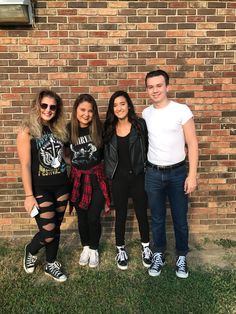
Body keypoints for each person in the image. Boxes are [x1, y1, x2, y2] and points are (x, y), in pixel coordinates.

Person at [142, 69, 198, 278]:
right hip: (153, 173)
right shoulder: (146, 114)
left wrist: (192, 175)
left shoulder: (181, 110)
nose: (155, 90)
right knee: (156, 218)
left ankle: (182, 256)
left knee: (179, 218)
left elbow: (192, 143)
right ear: (147, 89)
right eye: (150, 87)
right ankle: (159, 254)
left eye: (159, 85)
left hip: (177, 174)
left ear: (167, 86)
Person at [17, 89, 70, 282]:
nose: (48, 110)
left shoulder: (59, 130)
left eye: (53, 107)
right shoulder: (27, 131)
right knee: (47, 231)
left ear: (57, 110)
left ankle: (51, 264)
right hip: (40, 188)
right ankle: (31, 250)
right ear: (37, 106)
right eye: (44, 105)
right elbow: (25, 165)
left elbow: (63, 157)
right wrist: (28, 195)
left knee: (55, 228)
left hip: (62, 185)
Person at [103, 90, 152, 270]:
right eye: (115, 105)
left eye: (122, 104)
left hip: (139, 176)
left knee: (141, 214)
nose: (119, 108)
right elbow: (103, 154)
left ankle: (146, 247)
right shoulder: (108, 129)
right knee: (121, 215)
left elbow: (150, 145)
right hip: (118, 179)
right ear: (112, 109)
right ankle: (120, 249)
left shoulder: (140, 125)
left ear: (129, 105)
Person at [68, 94, 110, 268]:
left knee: (93, 217)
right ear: (76, 110)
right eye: (83, 110)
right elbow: (63, 152)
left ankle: (94, 248)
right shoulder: (69, 129)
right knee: (82, 218)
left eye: (90, 111)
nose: (86, 114)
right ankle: (85, 247)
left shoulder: (100, 129)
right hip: (78, 180)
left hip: (97, 179)